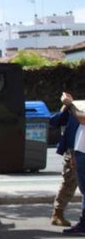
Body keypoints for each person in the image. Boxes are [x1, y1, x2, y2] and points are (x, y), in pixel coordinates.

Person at [49, 95, 79, 226]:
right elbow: (55, 121)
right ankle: (57, 214)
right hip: (74, 150)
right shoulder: (75, 107)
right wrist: (68, 106)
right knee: (70, 182)